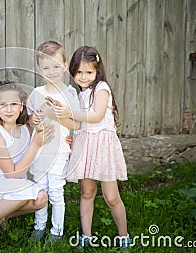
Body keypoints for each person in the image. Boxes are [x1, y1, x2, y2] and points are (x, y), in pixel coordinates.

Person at [54, 46, 131, 250]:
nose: (84, 76)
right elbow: (77, 125)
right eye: (79, 72)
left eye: (89, 72)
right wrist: (59, 118)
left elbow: (96, 116)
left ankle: (124, 236)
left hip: (102, 146)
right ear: (72, 72)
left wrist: (69, 112)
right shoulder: (77, 95)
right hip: (85, 146)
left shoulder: (101, 88)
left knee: (111, 197)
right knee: (87, 192)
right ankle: (86, 236)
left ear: (97, 71)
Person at [0, 80, 55, 252]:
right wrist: (35, 145)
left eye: (14, 104)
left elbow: (37, 150)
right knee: (26, 190)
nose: (9, 109)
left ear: (22, 106)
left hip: (8, 188)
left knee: (41, 199)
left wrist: (64, 142)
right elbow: (13, 174)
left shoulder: (24, 130)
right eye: (3, 104)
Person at [27, 41, 80, 242]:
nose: (52, 71)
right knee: (40, 188)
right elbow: (30, 120)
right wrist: (37, 119)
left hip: (59, 150)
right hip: (40, 149)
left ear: (65, 66)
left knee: (56, 190)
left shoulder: (69, 93)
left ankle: (56, 231)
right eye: (46, 67)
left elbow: (76, 124)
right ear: (39, 70)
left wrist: (54, 114)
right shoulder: (36, 93)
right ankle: (39, 226)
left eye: (56, 66)